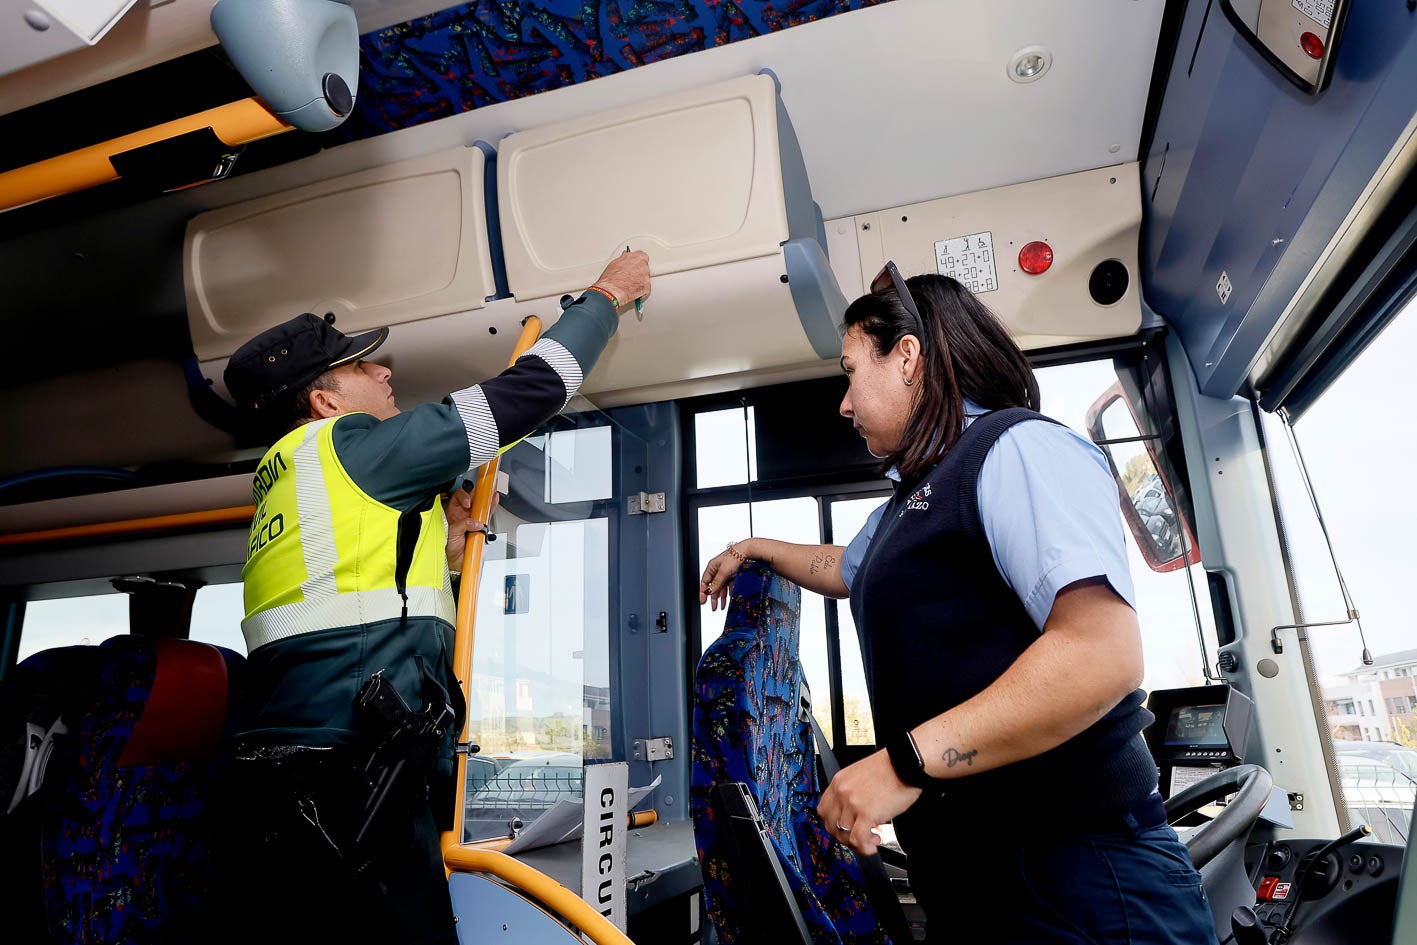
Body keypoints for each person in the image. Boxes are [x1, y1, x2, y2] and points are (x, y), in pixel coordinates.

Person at [698, 262, 1218, 944]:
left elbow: (1101, 655)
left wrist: (903, 763)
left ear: (906, 357)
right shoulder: (909, 502)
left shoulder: (1016, 448)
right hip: (980, 877)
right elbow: (848, 569)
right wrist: (756, 545)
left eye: (850, 371)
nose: (843, 404)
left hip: (1074, 872)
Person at [217, 250, 650, 945]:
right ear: (325, 402)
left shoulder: (287, 482)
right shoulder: (358, 447)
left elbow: (353, 605)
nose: (384, 371)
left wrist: (443, 553)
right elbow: (527, 393)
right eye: (362, 366)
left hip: (280, 785)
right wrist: (605, 296)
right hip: (356, 785)